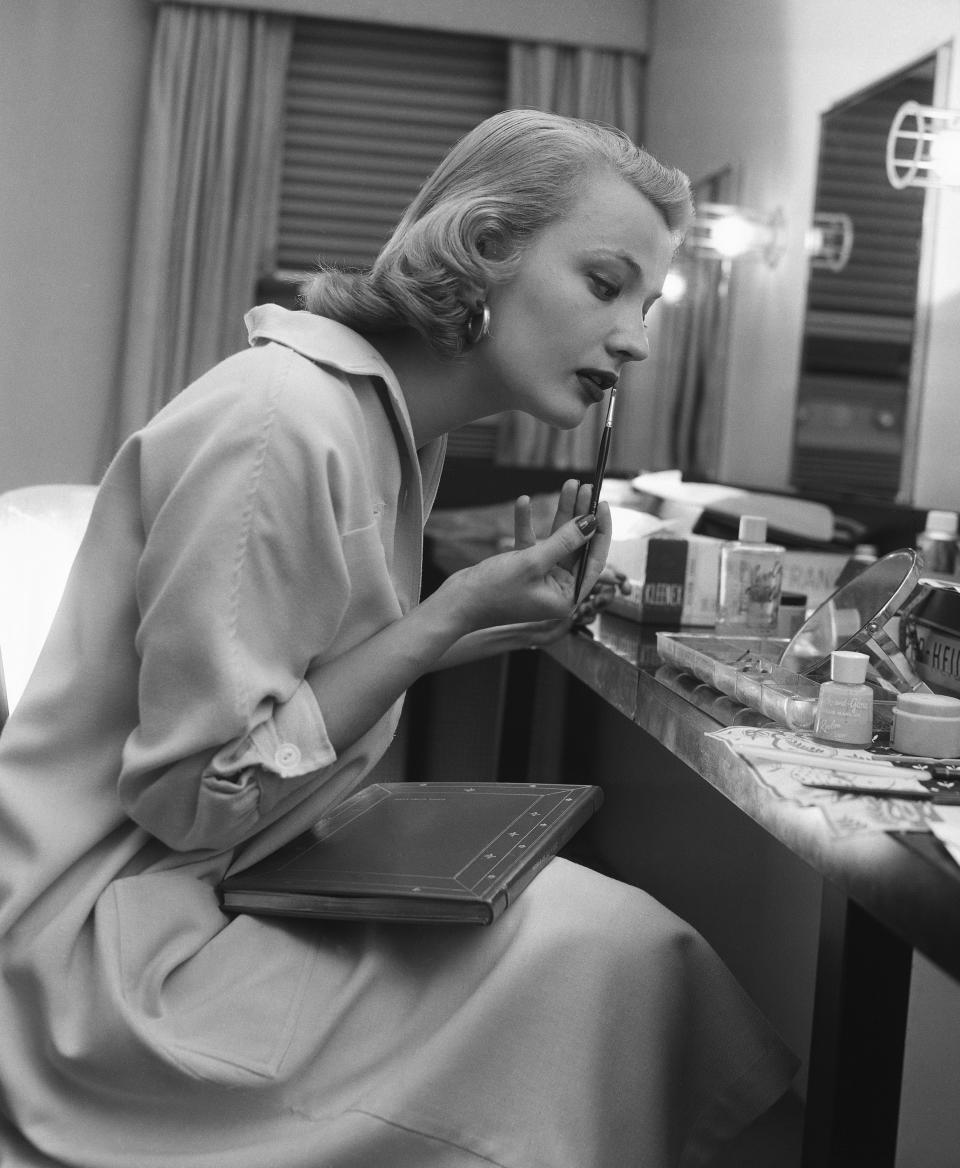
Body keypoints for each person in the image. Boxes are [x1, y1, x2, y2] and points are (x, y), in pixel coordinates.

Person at [0, 109, 796, 1167]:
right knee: (614, 956)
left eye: (647, 303)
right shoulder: (283, 423)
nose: (638, 337)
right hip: (108, 968)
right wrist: (446, 617)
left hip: (208, 886)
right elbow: (196, 793)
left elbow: (293, 673)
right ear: (482, 254)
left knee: (619, 945)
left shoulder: (381, 426)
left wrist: (474, 623)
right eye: (606, 285)